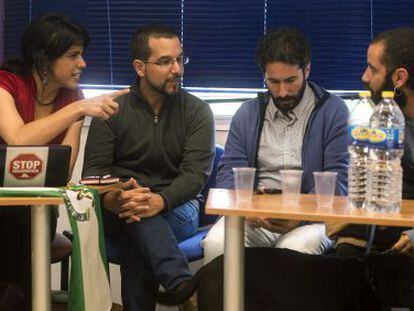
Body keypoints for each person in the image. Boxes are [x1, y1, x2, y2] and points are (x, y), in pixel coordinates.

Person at [82, 25, 215, 311]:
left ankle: (182, 289)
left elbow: (195, 176)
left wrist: (160, 200)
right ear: (140, 67)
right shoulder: (112, 110)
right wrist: (113, 199)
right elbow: (93, 174)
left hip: (177, 205)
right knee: (137, 217)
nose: (177, 69)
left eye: (180, 59)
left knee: (138, 228)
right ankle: (184, 289)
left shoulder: (197, 111)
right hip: (119, 208)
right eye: (165, 62)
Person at [0, 13, 126, 311]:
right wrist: (79, 108)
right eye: (73, 55)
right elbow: (18, 139)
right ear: (44, 59)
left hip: (34, 208)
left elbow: (62, 170)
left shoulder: (73, 99)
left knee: (28, 226)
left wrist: (77, 106)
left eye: (82, 54)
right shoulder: (6, 84)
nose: (82, 64)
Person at [203, 27, 349, 264]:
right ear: (264, 76)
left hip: (312, 219)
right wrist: (246, 210)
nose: (282, 92)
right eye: (273, 82)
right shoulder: (248, 113)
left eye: (290, 80)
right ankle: (229, 303)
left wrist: (299, 217)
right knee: (216, 244)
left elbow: (339, 180)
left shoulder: (333, 111)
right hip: (255, 217)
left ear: (307, 70)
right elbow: (229, 174)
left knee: (292, 250)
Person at [328, 28, 414, 257]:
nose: (365, 77)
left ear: (399, 78)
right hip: (378, 237)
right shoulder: (392, 120)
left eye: (372, 69)